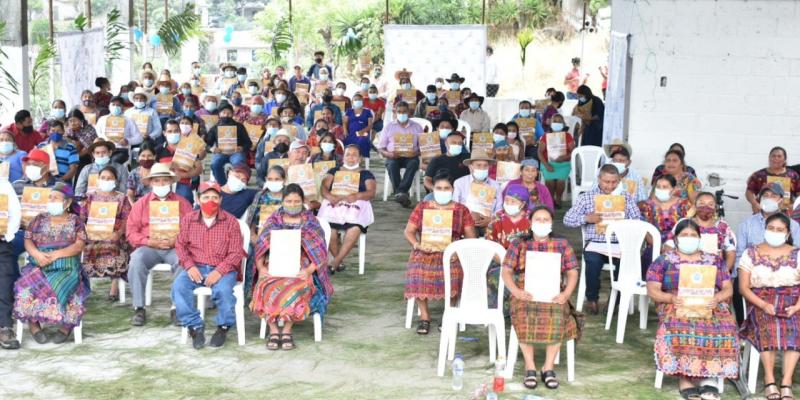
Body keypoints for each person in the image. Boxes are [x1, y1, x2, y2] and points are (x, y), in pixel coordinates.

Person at [647, 218, 739, 400]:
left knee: (724, 326)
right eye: (684, 235)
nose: (689, 238)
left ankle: (709, 376)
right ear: (676, 239)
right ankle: (685, 377)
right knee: (681, 326)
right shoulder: (663, 261)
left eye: (693, 235)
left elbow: (728, 288)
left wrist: (717, 298)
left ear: (699, 238)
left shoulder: (714, 260)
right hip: (675, 302)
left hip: (709, 301)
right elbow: (652, 290)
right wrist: (670, 298)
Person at [501, 205, 580, 390]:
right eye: (538, 219)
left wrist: (565, 294)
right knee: (522, 313)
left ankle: (548, 367)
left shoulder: (562, 244)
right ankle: (530, 367)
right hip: (525, 292)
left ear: (552, 223)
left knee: (559, 314)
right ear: (530, 222)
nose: (542, 223)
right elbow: (506, 271)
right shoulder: (518, 243)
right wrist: (516, 292)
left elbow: (573, 272)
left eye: (546, 219)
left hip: (553, 292)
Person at [250, 183, 334, 350]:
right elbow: (260, 247)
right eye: (289, 201)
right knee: (264, 285)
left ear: (303, 201)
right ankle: (274, 330)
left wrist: (308, 271)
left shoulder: (311, 222)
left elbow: (320, 253)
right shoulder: (273, 220)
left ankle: (287, 330)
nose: (293, 204)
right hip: (274, 263)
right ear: (282, 202)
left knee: (297, 286)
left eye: (296, 201)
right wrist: (261, 267)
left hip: (302, 267)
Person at [172, 181, 244, 350]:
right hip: (196, 267)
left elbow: (236, 253)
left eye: (214, 197)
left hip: (223, 269)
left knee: (224, 291)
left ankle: (223, 326)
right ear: (198, 199)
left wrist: (219, 271)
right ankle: (195, 326)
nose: (210, 201)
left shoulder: (231, 221)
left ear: (220, 200)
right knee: (179, 287)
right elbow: (180, 245)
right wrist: (189, 266)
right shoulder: (189, 219)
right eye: (206, 197)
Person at [14, 183, 88, 345]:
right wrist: (37, 254)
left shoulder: (76, 222)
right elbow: (28, 240)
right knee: (25, 284)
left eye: (55, 198)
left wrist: (55, 255)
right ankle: (34, 325)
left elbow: (79, 246)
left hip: (67, 265)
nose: (51, 201)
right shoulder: (38, 219)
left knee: (66, 284)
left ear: (67, 202)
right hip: (39, 263)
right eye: (50, 198)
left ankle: (66, 327)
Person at [404, 172, 477, 335]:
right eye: (439, 188)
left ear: (452, 190)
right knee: (417, 270)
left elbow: (471, 237)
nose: (443, 191)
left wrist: (459, 251)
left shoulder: (462, 210)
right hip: (425, 251)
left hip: (451, 253)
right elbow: (409, 231)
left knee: (454, 273)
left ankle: (448, 314)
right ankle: (424, 316)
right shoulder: (422, 207)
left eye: (446, 188)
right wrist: (417, 245)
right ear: (433, 189)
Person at [563, 164, 642, 314]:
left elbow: (637, 220)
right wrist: (586, 218)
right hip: (596, 244)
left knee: (625, 264)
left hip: (619, 244)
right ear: (599, 179)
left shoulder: (625, 197)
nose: (610, 186)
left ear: (619, 181)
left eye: (614, 182)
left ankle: (616, 301)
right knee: (592, 262)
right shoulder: (586, 197)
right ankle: (592, 298)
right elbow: (567, 219)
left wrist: (625, 221)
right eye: (606, 182)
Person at [738, 213, 800, 400]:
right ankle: (769, 379)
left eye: (780, 230)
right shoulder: (750, 253)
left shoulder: (797, 253)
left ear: (787, 233)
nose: (775, 232)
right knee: (768, 325)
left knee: (796, 326)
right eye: (771, 228)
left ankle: (786, 382)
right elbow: (743, 287)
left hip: (793, 301)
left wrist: (797, 307)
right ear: (764, 229)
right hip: (760, 301)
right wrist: (763, 305)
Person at [126, 163, 194, 326]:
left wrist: (177, 241)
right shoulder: (141, 204)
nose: (161, 184)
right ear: (151, 183)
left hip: (175, 247)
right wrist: (148, 241)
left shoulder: (183, 203)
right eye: (157, 181)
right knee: (136, 259)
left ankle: (176, 307)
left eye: (165, 180)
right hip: (149, 246)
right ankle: (139, 307)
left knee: (184, 261)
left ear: (170, 181)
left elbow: (192, 229)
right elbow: (131, 232)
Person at [736, 183, 800, 324]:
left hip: (791, 294)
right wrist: (741, 277)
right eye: (765, 195)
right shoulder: (746, 225)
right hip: (756, 285)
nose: (769, 198)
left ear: (781, 199)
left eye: (773, 195)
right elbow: (740, 255)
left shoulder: (794, 227)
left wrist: (797, 307)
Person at [318, 145, 376, 273]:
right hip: (335, 206)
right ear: (343, 157)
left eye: (354, 155)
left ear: (360, 158)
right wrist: (330, 196)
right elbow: (324, 187)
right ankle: (339, 261)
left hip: (356, 208)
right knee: (329, 230)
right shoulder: (334, 171)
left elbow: (371, 192)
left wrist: (357, 196)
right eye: (348, 154)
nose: (351, 157)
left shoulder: (366, 174)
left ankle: (335, 262)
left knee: (354, 229)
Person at [79, 166, 131, 301]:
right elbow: (81, 218)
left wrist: (119, 232)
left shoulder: (122, 198)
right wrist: (86, 232)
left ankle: (114, 287)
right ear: (98, 180)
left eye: (109, 178)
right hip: (92, 235)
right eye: (103, 178)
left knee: (113, 245)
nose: (106, 180)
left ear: (116, 181)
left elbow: (127, 219)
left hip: (114, 235)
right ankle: (85, 287)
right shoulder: (89, 197)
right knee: (84, 247)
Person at [486, 184, 532, 315]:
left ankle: (522, 312)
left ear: (523, 204)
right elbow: (490, 246)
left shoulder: (531, 219)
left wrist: (520, 263)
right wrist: (507, 263)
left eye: (513, 201)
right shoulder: (497, 219)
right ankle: (499, 313)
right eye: (507, 200)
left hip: (526, 262)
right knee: (496, 276)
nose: (508, 204)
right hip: (500, 260)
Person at [664, 192, 737, 273]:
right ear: (695, 206)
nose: (706, 207)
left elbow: (731, 253)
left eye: (710, 204)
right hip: (683, 270)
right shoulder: (684, 223)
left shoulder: (722, 226)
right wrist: (674, 267)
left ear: (715, 208)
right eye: (702, 203)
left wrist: (723, 272)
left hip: (713, 271)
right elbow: (668, 246)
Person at [245, 165, 286, 294]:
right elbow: (252, 220)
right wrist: (253, 235)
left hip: (284, 238)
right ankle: (252, 290)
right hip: (260, 237)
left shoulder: (289, 196)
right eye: (270, 179)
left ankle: (278, 291)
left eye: (277, 179)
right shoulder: (260, 196)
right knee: (250, 250)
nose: (273, 182)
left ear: (284, 180)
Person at [379, 102, 423, 207]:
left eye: (404, 112)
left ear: (409, 112)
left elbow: (423, 147)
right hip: (393, 156)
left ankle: (400, 192)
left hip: (411, 156)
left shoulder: (417, 127)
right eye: (399, 112)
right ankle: (402, 194)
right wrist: (389, 154)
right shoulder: (388, 127)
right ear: (395, 112)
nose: (402, 114)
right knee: (392, 164)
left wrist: (416, 152)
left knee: (413, 164)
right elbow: (381, 148)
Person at [453, 150, 502, 235]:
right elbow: (455, 206)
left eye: (485, 165)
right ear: (471, 166)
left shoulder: (495, 185)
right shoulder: (459, 183)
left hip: (489, 223)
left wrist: (491, 219)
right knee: (470, 233)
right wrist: (468, 217)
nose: (482, 168)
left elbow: (499, 209)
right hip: (466, 223)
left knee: (493, 233)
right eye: (478, 165)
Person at [205, 103, 252, 185]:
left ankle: (238, 184)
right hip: (221, 153)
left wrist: (242, 148)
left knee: (239, 163)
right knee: (215, 164)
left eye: (229, 113)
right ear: (219, 114)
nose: (226, 115)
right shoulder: (215, 128)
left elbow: (248, 143)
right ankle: (223, 185)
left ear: (232, 114)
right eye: (224, 113)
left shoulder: (239, 127)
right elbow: (206, 144)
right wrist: (211, 149)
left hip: (236, 153)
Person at [639, 174, 692, 245]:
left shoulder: (683, 204)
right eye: (658, 187)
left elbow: (689, 226)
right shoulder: (647, 205)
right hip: (653, 244)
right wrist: (659, 247)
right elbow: (645, 230)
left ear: (673, 189)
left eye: (665, 187)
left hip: (679, 244)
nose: (661, 189)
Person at [0, 175, 21, 349]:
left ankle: (5, 327)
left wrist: (6, 235)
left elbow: (15, 213)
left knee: (4, 283)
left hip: (1, 242)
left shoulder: (3, 185)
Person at [746, 147, 800, 213]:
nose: (776, 158)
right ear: (769, 158)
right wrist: (754, 204)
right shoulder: (759, 175)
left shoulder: (793, 175)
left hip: (786, 214)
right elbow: (749, 192)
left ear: (785, 159)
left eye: (779, 156)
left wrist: (794, 205)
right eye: (773, 156)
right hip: (763, 212)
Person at [538, 114, 575, 208]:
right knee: (549, 181)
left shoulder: (567, 136)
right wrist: (546, 165)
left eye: (559, 121)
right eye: (555, 121)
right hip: (548, 163)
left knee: (560, 181)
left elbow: (574, 152)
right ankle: (550, 199)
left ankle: (558, 199)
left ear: (563, 124)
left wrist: (564, 158)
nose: (557, 123)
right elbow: (539, 152)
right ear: (550, 123)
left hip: (564, 164)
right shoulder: (545, 136)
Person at [96, 96, 143, 165]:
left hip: (121, 150)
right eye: (113, 104)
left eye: (118, 105)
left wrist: (128, 141)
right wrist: (105, 140)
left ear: (123, 107)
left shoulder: (129, 120)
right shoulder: (102, 119)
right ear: (109, 106)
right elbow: (98, 134)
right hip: (105, 149)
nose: (115, 107)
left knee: (114, 163)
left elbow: (139, 138)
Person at [65, 109, 98, 173]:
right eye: (70, 121)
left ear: (82, 120)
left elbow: (88, 149)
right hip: (73, 156)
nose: (72, 123)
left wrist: (73, 158)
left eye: (75, 120)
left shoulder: (89, 130)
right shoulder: (68, 131)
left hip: (88, 157)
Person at [343, 93, 374, 160]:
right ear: (352, 102)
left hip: (363, 134)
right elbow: (345, 122)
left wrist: (362, 131)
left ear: (362, 101)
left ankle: (360, 158)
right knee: (345, 141)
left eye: (359, 99)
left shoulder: (367, 112)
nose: (357, 101)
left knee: (362, 141)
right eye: (355, 100)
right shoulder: (349, 111)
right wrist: (345, 130)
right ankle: (349, 159)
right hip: (350, 134)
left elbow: (370, 125)